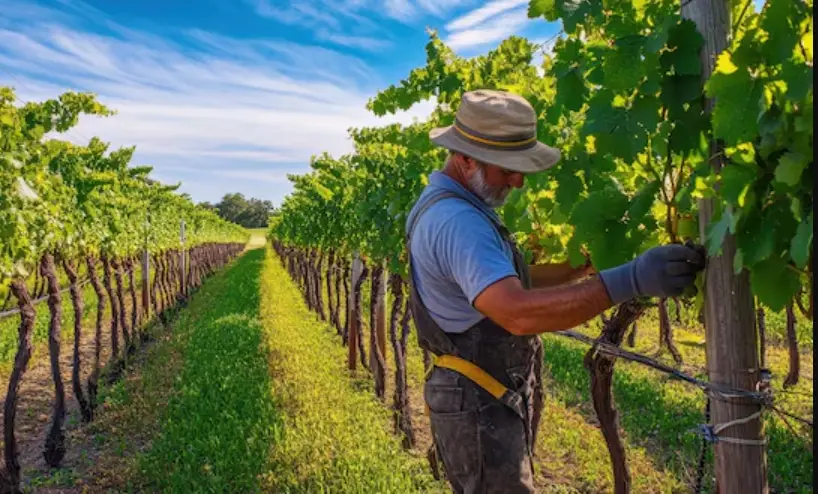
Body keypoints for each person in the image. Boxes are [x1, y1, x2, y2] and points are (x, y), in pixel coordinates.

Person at [405, 89, 706, 493]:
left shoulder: (447, 205)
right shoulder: (458, 222)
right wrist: (629, 280)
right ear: (466, 158)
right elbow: (516, 312)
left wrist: (574, 270)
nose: (519, 181)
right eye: (507, 168)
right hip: (479, 409)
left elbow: (500, 280)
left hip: (479, 399)